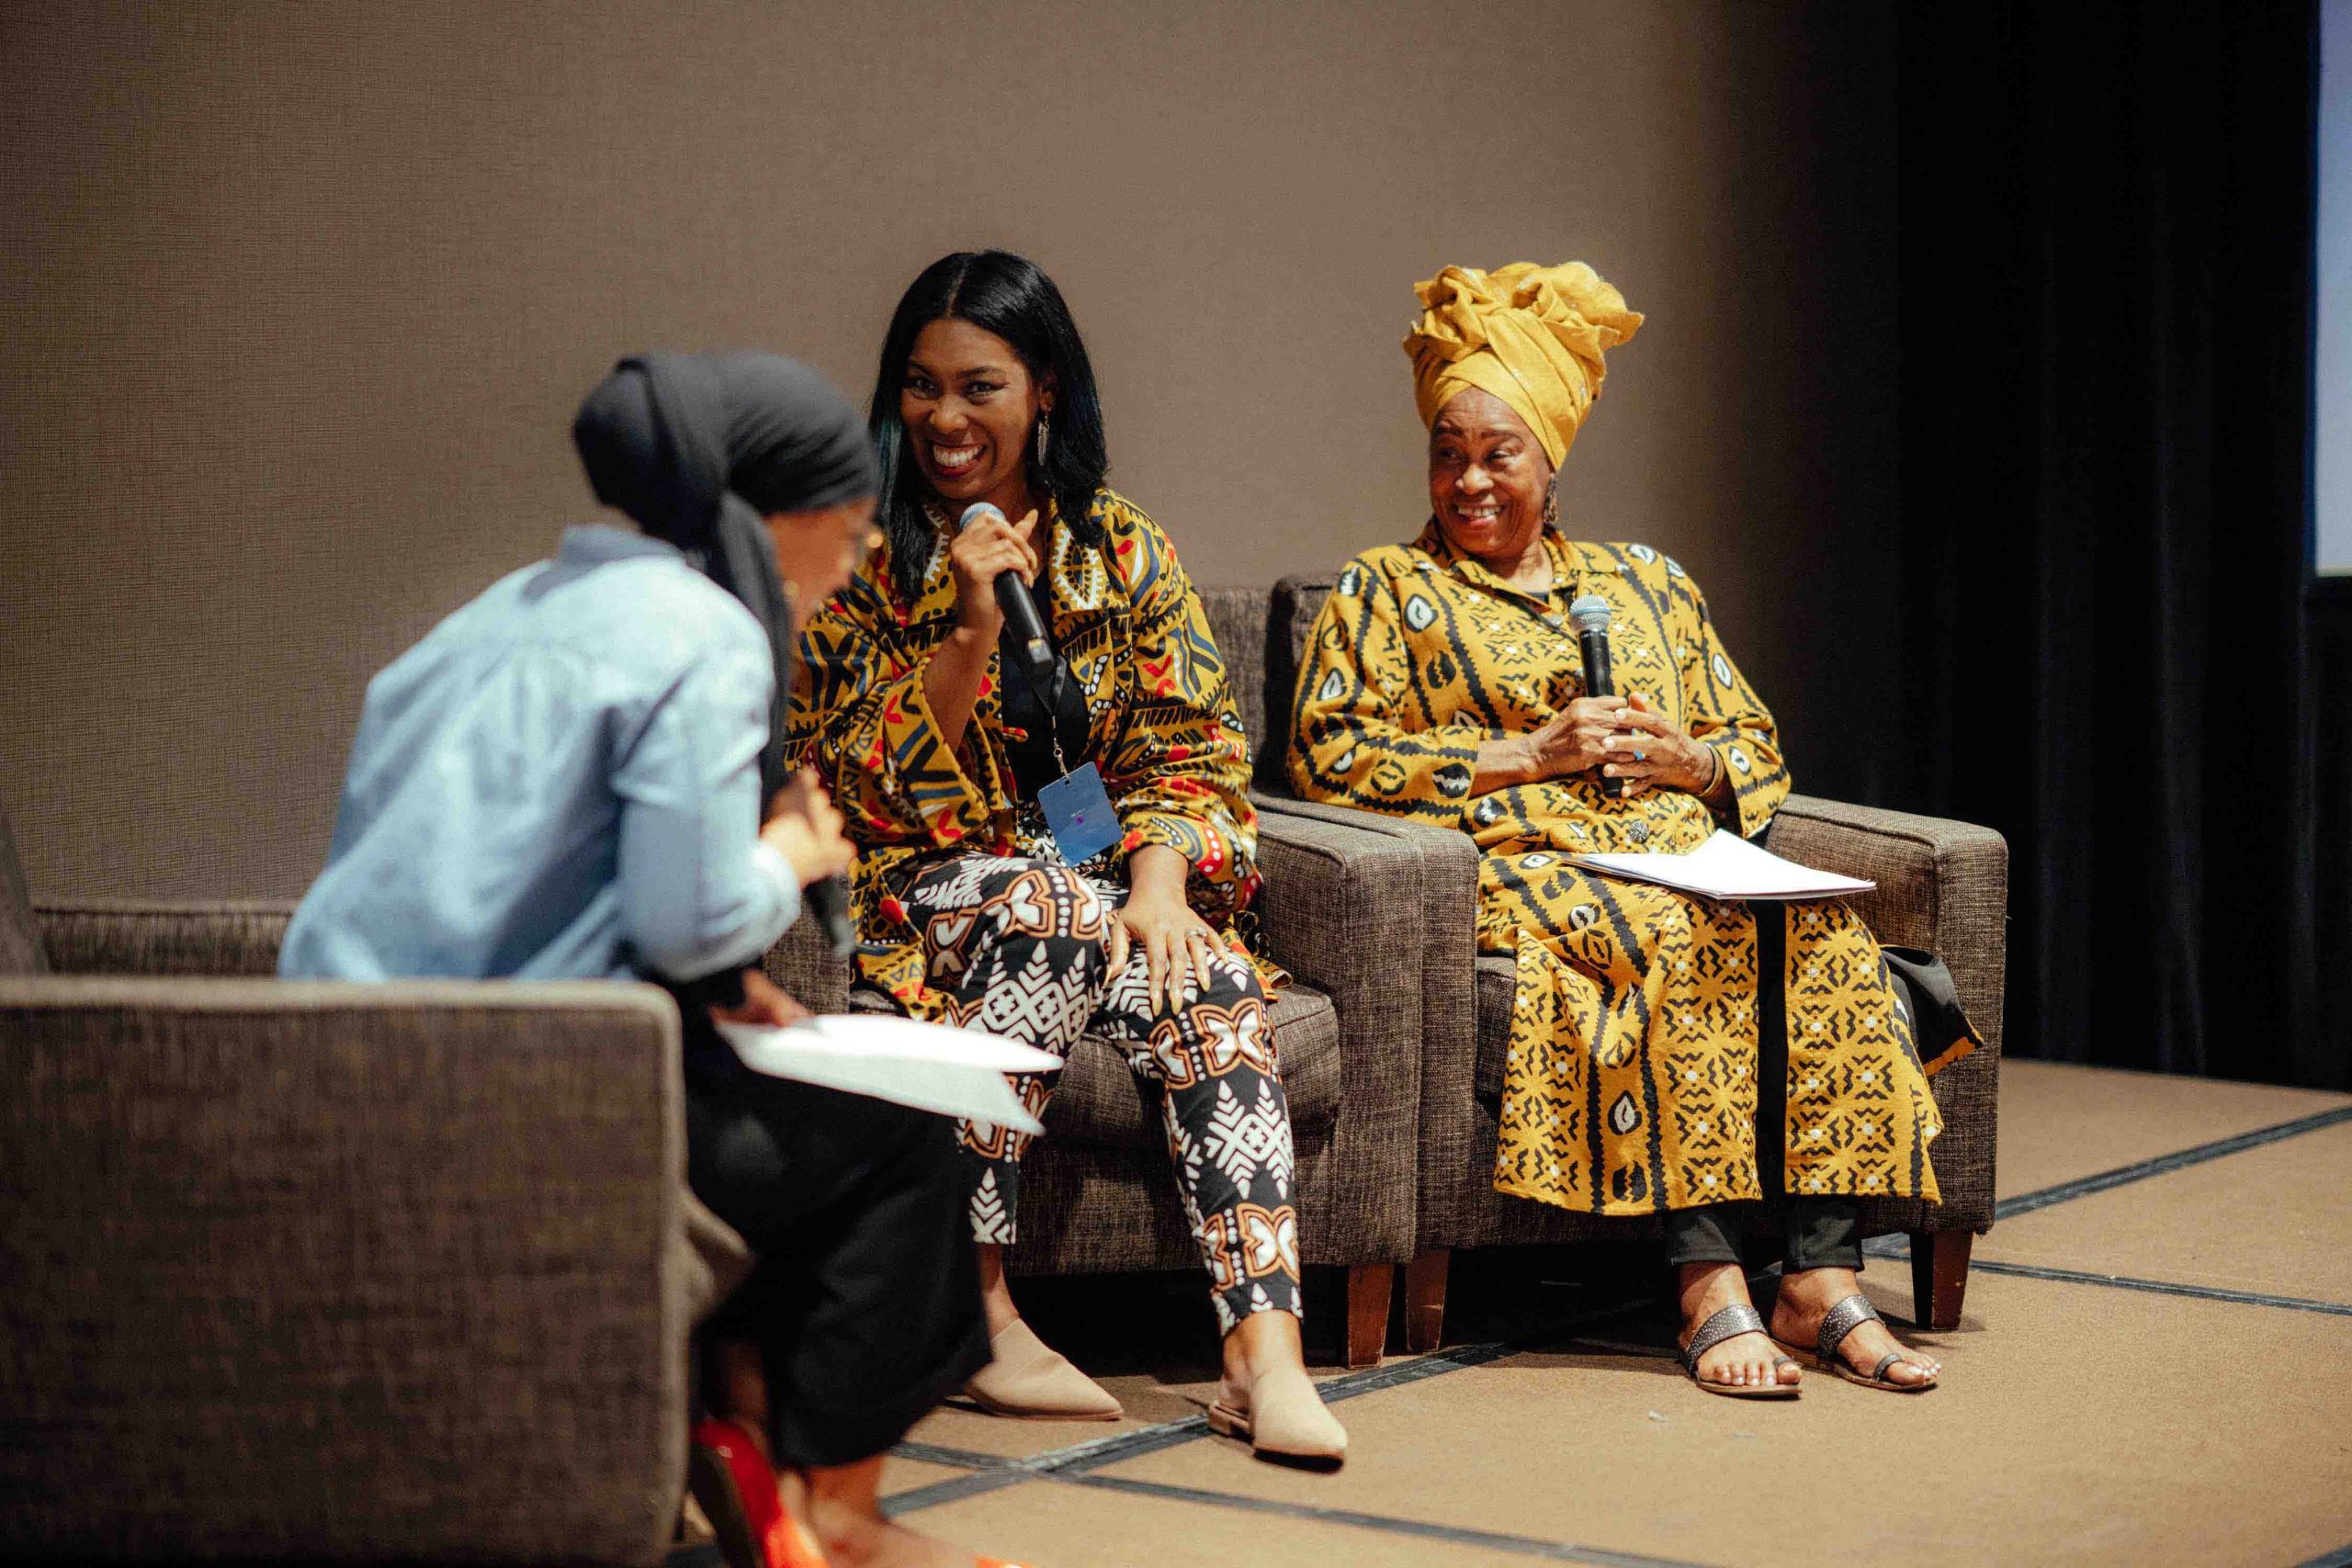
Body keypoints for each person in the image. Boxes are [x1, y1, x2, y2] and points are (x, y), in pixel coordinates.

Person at [281, 351, 1021, 1567]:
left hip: (344, 1060)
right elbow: (684, 916)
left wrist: (721, 986)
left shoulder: (505, 607)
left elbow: (536, 883)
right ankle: (836, 1513)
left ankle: (736, 1430)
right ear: (778, 521)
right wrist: (787, 852)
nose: (841, 582)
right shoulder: (708, 634)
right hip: (517, 1096)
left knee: (770, 1097)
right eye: (842, 541)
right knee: (898, 1144)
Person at [1286, 263, 1974, 1398]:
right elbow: (1330, 759)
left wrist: (1694, 764)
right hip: (1519, 861)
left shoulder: (1648, 582)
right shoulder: (1385, 588)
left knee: (1827, 937)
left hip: (1681, 844)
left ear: (1550, 461)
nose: (1469, 480)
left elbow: (1753, 745)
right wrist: (1527, 755)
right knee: (1671, 940)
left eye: (1497, 453)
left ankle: (1819, 1277)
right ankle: (1707, 1281)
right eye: (1447, 453)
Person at [787, 250, 1345, 1465]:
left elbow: (1196, 758)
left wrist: (1157, 884)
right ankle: (969, 1300)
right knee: (1051, 901)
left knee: (1209, 978)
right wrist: (975, 625)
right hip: (915, 883)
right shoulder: (858, 555)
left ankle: (1265, 1353)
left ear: (1044, 390)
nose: (944, 417)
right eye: (921, 386)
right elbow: (853, 784)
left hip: (1093, 869)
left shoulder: (1123, 551)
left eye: (977, 385)